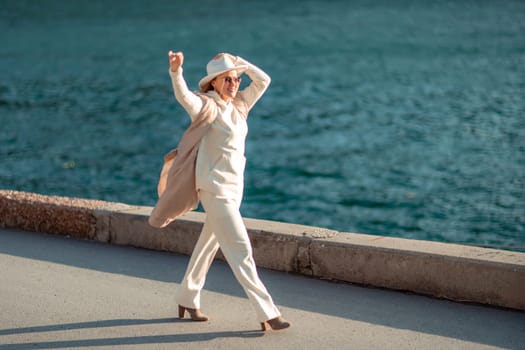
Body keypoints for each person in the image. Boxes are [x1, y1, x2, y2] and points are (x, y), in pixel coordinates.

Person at [151, 51, 290, 331]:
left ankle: (187, 296)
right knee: (241, 250)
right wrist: (176, 71)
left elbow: (263, 80)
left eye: (236, 78)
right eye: (227, 79)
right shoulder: (206, 106)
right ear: (213, 83)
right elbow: (183, 96)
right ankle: (267, 311)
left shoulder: (239, 107)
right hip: (214, 189)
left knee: (207, 245)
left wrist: (242, 64)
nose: (234, 83)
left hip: (234, 189)